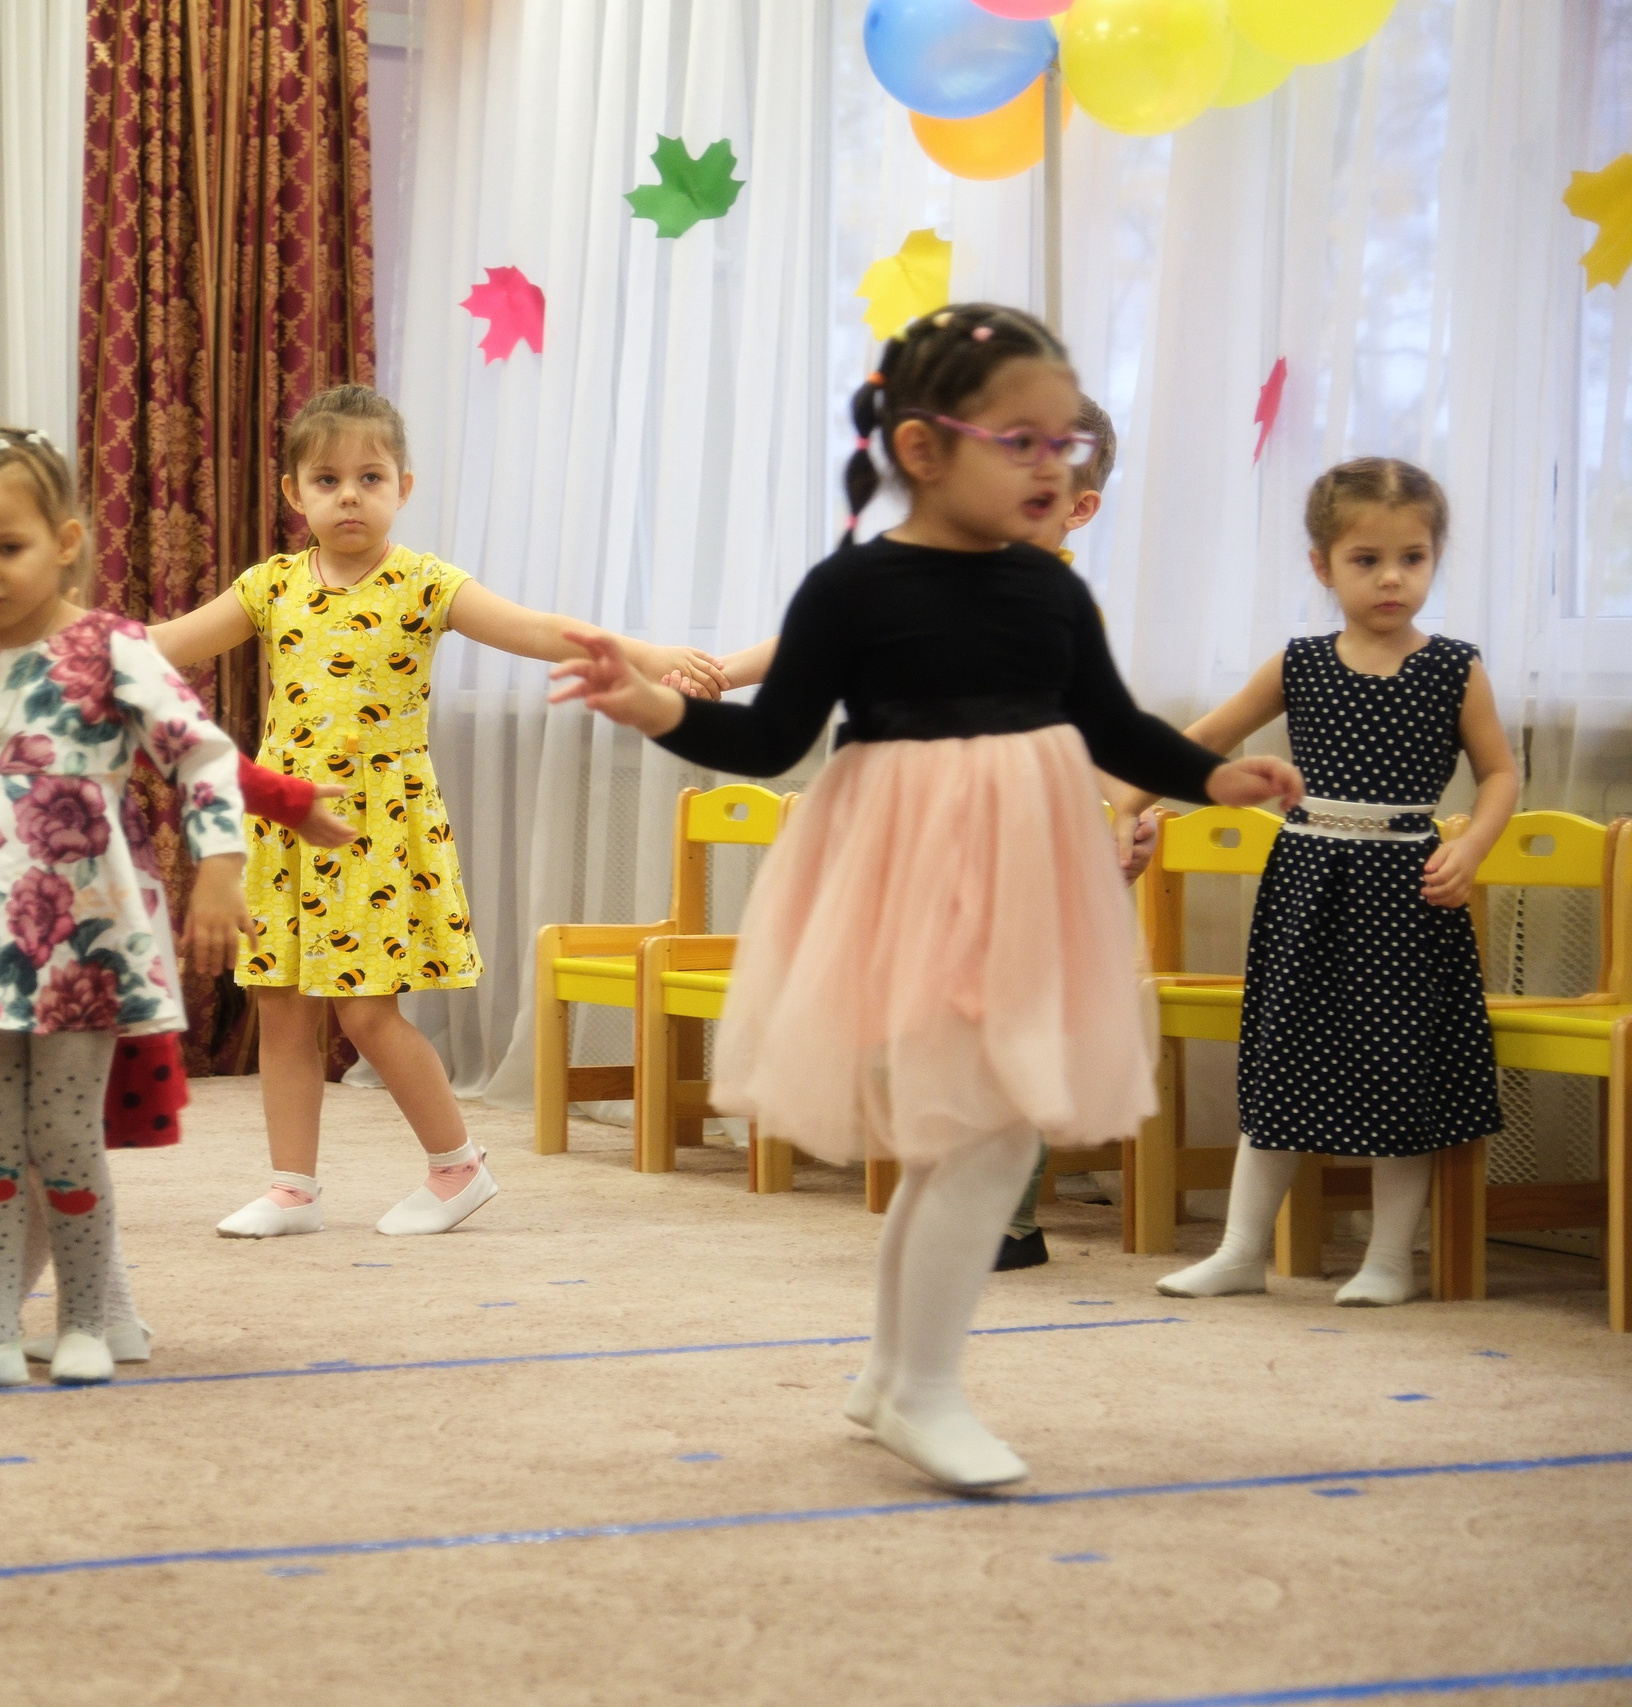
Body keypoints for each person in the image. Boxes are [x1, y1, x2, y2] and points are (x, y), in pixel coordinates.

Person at [551, 304, 1302, 1491]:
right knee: (983, 1134)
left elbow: (1110, 726)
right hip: (907, 882)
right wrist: (652, 706)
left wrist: (1213, 777)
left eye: (1063, 444)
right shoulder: (852, 588)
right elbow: (771, 740)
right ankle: (922, 1391)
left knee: (974, 1136)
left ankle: (893, 1378)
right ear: (923, 448)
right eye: (1022, 441)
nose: (1052, 466)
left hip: (1027, 879)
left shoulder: (1051, 594)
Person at [148, 383, 730, 1239]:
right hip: (287, 826)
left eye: (371, 478)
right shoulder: (269, 587)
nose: (350, 496)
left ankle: (458, 1166)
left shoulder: (424, 584)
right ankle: (292, 1187)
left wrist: (646, 654)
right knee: (280, 1003)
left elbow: (540, 630)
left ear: (404, 488)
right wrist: (59, 646)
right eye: (328, 480)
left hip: (374, 832)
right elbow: (160, 646)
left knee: (366, 1012)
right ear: (294, 493)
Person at [678, 395, 1156, 1271]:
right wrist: (719, 672)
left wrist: (1129, 807)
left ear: (1078, 506)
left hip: (1011, 845)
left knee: (1005, 1028)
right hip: (916, 835)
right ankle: (951, 1187)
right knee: (927, 1022)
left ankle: (1004, 1216)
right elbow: (821, 641)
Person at [0, 426, 250, 1392]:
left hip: (83, 931)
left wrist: (221, 866)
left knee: (66, 1134)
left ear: (67, 540)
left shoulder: (111, 645)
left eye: (9, 547)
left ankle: (87, 1320)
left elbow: (203, 752)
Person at [1134, 459, 1512, 1308]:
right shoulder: (1300, 663)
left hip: (1407, 895)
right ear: (1323, 565)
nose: (1392, 578)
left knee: (1399, 1071)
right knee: (1281, 1062)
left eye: (1413, 558)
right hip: (1308, 887)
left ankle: (1389, 1260)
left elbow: (1499, 773)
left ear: (1435, 557)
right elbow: (1202, 740)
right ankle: (1240, 1252)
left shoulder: (1456, 668)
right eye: (1366, 559)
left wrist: (1475, 848)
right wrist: (1125, 801)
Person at [0, 762, 358, 1366]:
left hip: (79, 918)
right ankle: (33, 1309)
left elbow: (186, 739)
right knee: (19, 1131)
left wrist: (274, 811)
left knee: (51, 1130)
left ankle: (36, 1310)